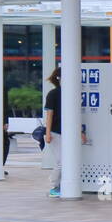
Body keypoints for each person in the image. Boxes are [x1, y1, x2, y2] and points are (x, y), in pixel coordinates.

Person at [44, 67, 63, 197]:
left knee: (63, 162)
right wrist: (48, 133)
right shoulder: (53, 94)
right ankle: (55, 185)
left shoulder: (72, 93)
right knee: (62, 162)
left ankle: (58, 185)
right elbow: (49, 116)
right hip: (56, 133)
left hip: (68, 134)